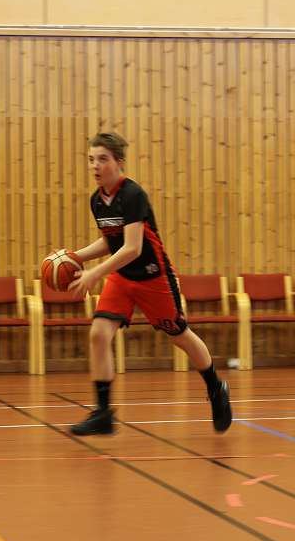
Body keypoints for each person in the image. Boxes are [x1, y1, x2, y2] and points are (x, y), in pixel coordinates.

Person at [65, 132, 232, 436]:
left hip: (153, 277)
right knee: (99, 334)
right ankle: (103, 414)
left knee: (180, 336)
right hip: (122, 277)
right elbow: (111, 241)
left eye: (102, 159)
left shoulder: (132, 195)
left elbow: (132, 248)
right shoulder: (97, 200)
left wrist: (94, 273)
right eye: (91, 160)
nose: (95, 165)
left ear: (119, 162)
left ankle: (215, 388)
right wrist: (76, 257)